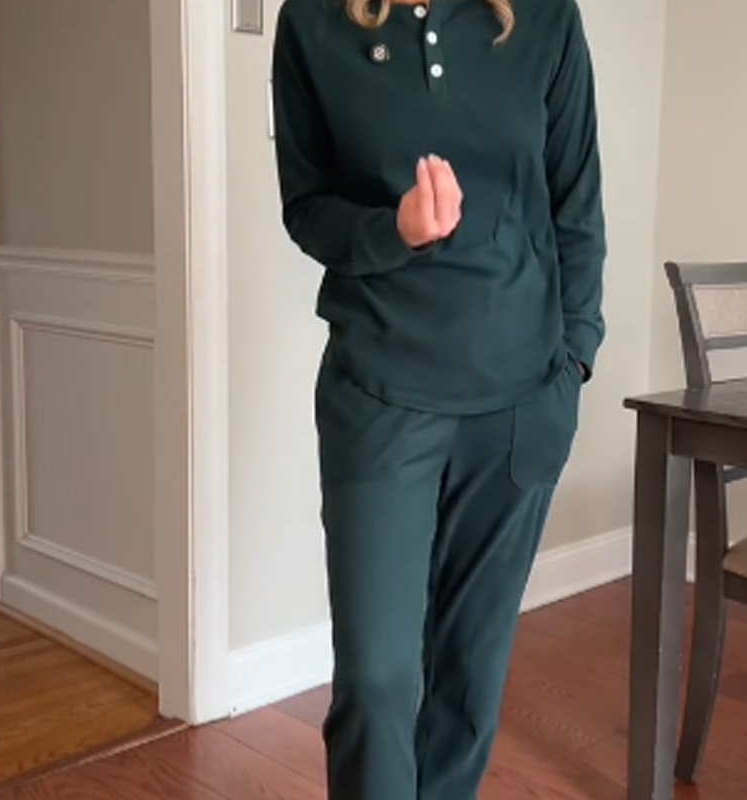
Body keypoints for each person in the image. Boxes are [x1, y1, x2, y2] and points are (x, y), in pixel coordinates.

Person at [271, 0, 605, 796]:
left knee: (468, 682)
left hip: (522, 397)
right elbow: (307, 206)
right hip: (379, 393)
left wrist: (575, 359)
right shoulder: (313, 21)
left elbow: (577, 202)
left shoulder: (546, 19)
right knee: (377, 682)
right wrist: (396, 230)